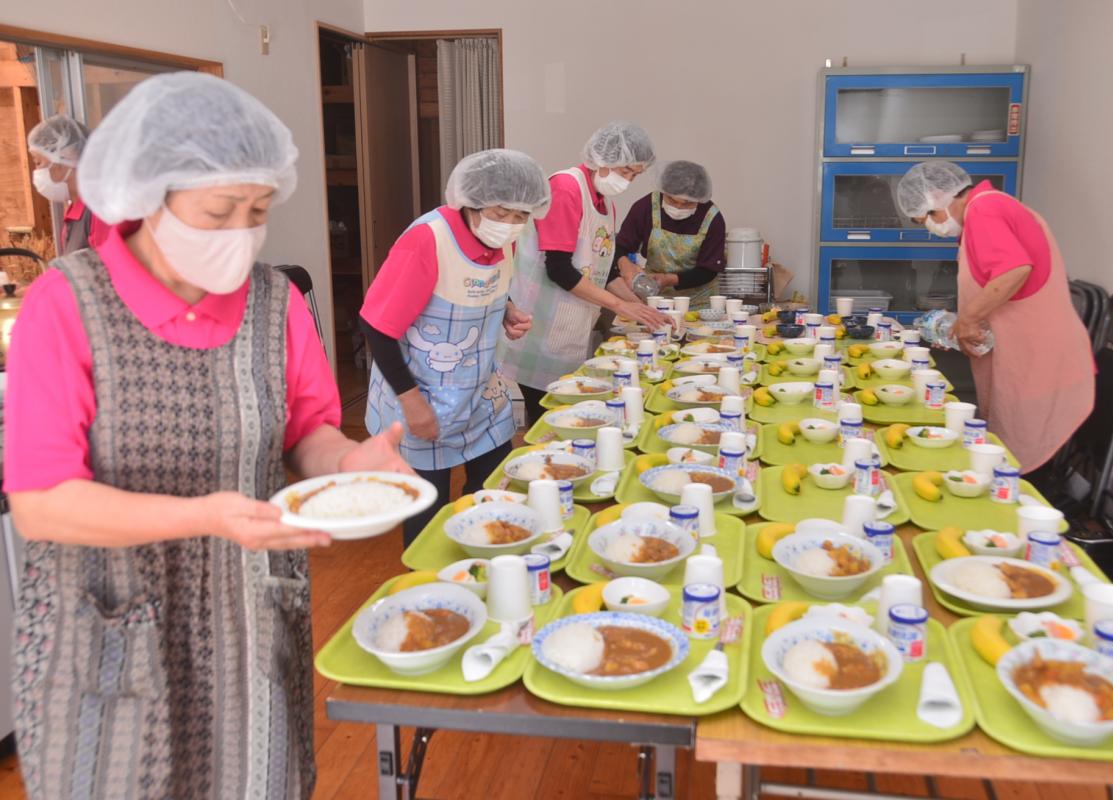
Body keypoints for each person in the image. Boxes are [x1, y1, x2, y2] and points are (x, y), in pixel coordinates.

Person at [4, 72, 413, 799]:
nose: (241, 233)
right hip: (107, 627)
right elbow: (42, 504)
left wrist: (353, 462)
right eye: (218, 210)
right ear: (147, 195)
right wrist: (204, 517)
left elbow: (304, 434)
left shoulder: (273, 302)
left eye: (257, 211)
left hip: (245, 625)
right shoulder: (66, 302)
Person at [361, 149, 550, 542]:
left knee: (492, 487)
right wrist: (413, 404)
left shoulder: (503, 240)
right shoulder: (427, 240)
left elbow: (477, 287)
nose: (511, 224)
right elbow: (378, 327)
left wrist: (506, 311)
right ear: (471, 201)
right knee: (427, 514)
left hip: (478, 392)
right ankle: (428, 590)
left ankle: (479, 565)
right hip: (419, 393)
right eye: (501, 213)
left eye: (521, 216)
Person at [895, 160, 1094, 472]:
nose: (933, 227)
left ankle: (1028, 514)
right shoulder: (988, 209)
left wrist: (969, 319)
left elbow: (1013, 269)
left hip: (1038, 356)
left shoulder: (984, 211)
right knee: (1009, 447)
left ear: (941, 195)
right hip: (1026, 352)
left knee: (1021, 455)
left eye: (930, 217)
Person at [499, 122, 672, 422]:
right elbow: (559, 269)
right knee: (549, 421)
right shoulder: (566, 188)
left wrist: (642, 309)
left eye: (634, 175)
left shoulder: (605, 205)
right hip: (538, 325)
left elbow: (601, 272)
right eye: (627, 171)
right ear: (605, 160)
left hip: (568, 327)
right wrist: (620, 306)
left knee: (562, 418)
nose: (628, 180)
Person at [614, 159, 727, 302]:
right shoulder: (646, 207)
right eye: (672, 201)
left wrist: (669, 279)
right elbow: (619, 247)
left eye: (687, 203)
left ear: (699, 199)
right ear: (663, 191)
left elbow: (709, 270)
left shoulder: (712, 218)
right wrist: (625, 265)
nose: (679, 207)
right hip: (654, 297)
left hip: (699, 303)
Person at [27, 114, 110, 253]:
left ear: (66, 157)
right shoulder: (76, 210)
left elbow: (110, 269)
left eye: (38, 162)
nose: (37, 171)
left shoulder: (100, 211)